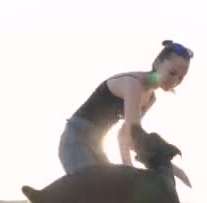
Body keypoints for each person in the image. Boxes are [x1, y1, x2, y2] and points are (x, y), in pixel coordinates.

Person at [58, 39, 193, 188]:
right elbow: (133, 134)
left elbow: (124, 136)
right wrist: (174, 169)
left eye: (181, 77)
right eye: (172, 73)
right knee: (96, 190)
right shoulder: (133, 84)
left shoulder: (150, 98)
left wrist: (128, 167)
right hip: (76, 139)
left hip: (97, 145)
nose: (175, 80)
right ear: (157, 63)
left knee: (115, 193)